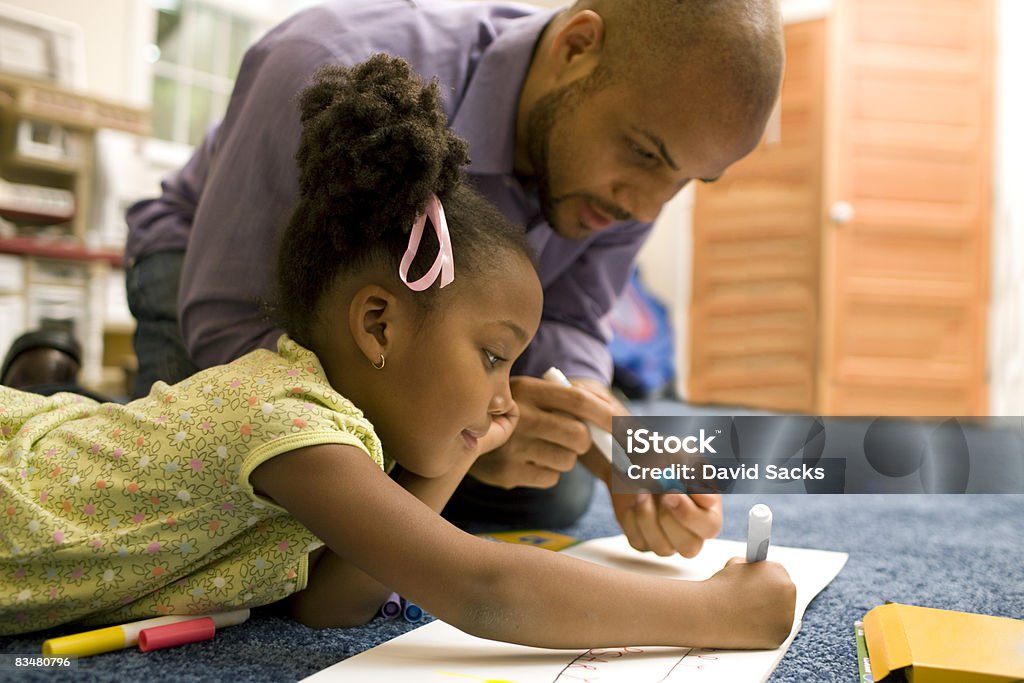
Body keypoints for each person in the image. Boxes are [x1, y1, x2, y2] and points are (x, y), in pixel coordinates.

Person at [1, 57, 796, 646]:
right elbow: (481, 585)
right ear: (379, 326)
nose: (509, 397)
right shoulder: (283, 416)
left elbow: (331, 602)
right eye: (494, 357)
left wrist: (463, 443)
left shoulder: (324, 434)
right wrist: (712, 612)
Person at [125, 0, 785, 548]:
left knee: (558, 488)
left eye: (683, 180)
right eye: (643, 154)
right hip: (222, 277)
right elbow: (226, 317)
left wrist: (606, 429)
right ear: (577, 45)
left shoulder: (636, 180)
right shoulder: (326, 60)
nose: (644, 207)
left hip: (418, 342)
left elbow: (572, 317)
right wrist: (458, 427)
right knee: (214, 516)